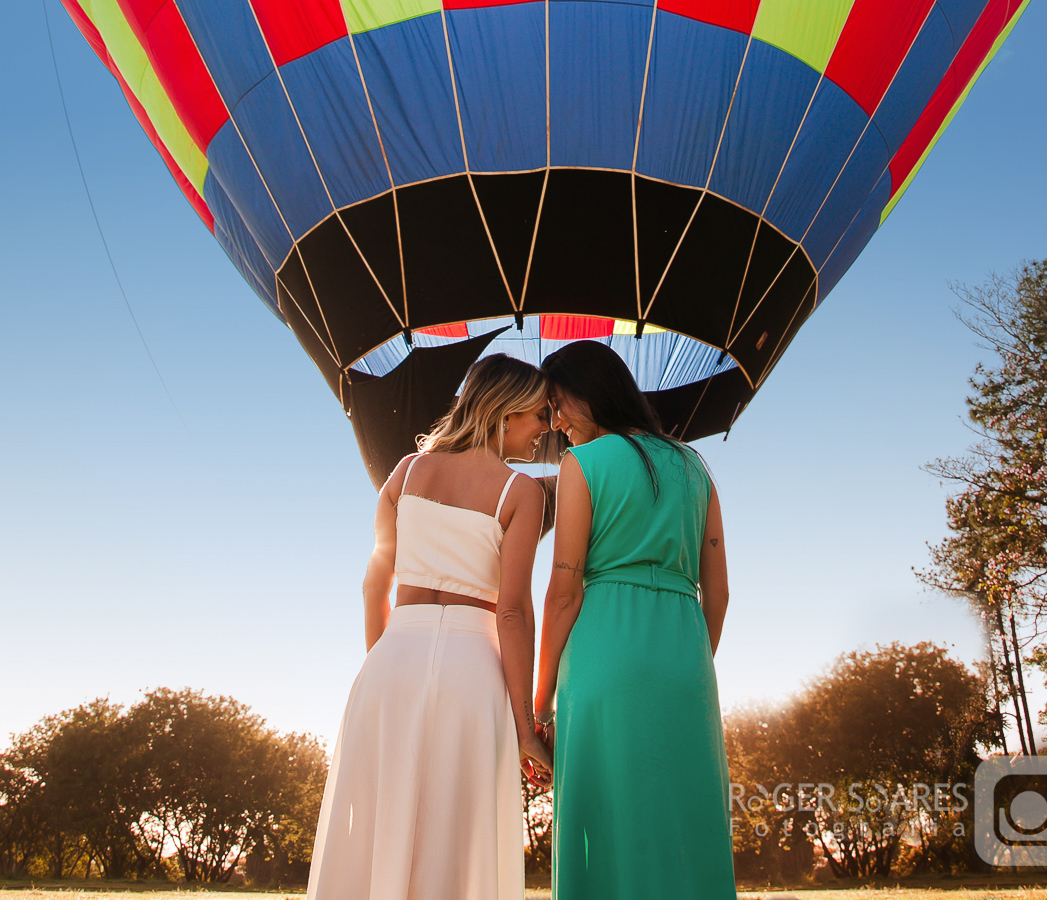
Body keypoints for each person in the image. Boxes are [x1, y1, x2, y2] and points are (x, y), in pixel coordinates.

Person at [307, 354, 554, 900]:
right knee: (457, 831)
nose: (545, 429)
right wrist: (527, 728)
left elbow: (375, 586)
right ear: (505, 412)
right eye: (538, 415)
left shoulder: (405, 472)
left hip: (392, 659)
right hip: (473, 667)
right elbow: (512, 612)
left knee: (380, 820)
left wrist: (384, 663)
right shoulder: (522, 493)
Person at [534, 340, 733, 898]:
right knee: (686, 813)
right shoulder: (697, 468)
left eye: (557, 404)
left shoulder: (581, 465)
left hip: (602, 653)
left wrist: (542, 694)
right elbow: (717, 593)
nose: (554, 423)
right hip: (684, 656)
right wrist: (693, 660)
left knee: (601, 810)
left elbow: (564, 590)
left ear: (590, 392)